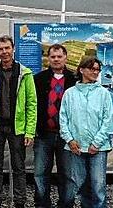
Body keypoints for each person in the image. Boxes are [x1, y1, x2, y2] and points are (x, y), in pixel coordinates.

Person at [0, 35, 37, 208]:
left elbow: (31, 104)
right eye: (0, 49)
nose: (4, 52)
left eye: (7, 48)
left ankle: (20, 201)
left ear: (13, 49)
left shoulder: (25, 74)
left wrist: (30, 131)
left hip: (17, 128)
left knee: (19, 167)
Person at [59, 56, 113, 208]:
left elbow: (108, 121)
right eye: (92, 68)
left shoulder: (104, 94)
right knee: (81, 184)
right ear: (81, 70)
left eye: (97, 69)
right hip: (76, 147)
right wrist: (69, 140)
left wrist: (96, 143)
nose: (95, 72)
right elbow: (63, 119)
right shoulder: (70, 94)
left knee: (98, 186)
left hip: (98, 148)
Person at [32, 43, 78, 208]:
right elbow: (32, 105)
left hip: (67, 136)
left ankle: (66, 204)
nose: (56, 59)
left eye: (59, 56)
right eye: (53, 56)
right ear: (48, 59)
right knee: (40, 173)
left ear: (66, 58)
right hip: (44, 134)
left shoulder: (75, 80)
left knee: (67, 174)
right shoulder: (38, 79)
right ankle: (42, 204)